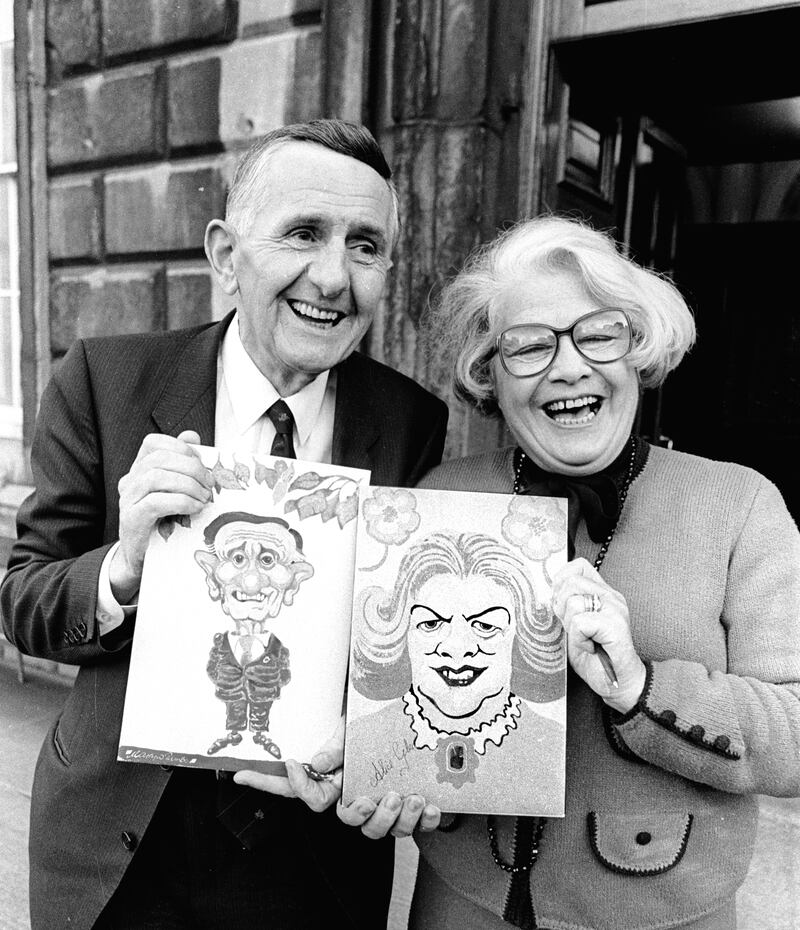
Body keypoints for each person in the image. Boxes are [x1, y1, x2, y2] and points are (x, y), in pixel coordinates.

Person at [0, 118, 448, 930]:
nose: (332, 277)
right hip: (117, 843)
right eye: (303, 234)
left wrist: (391, 752)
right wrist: (122, 567)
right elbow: (23, 600)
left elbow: (406, 638)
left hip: (310, 858)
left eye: (365, 246)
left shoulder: (411, 420)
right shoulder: (105, 378)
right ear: (224, 255)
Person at [340, 215, 800, 929]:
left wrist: (642, 687)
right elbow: (396, 701)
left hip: (661, 911)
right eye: (528, 345)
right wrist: (383, 770)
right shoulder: (444, 496)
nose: (569, 367)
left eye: (599, 334)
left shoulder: (738, 505)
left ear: (638, 347)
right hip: (464, 905)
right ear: (489, 372)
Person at [344, 530, 565, 814]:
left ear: (520, 636)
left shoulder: (553, 747)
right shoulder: (360, 741)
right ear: (402, 633)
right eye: (431, 624)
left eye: (485, 626)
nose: (457, 648)